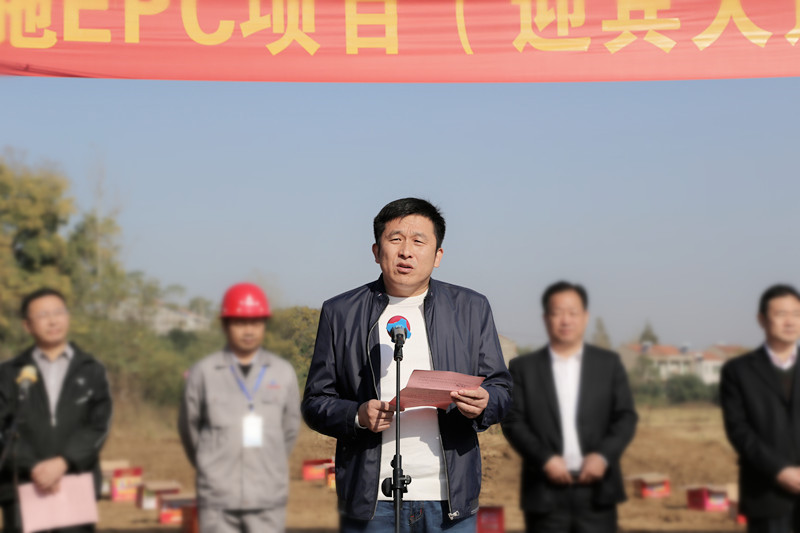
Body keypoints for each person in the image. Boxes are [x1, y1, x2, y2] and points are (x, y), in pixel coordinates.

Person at [301, 197, 512, 533]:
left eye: (418, 241)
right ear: (376, 251)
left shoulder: (471, 308)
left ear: (438, 255)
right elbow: (315, 402)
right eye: (395, 239)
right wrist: (356, 415)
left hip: (449, 499)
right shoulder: (340, 313)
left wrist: (485, 403)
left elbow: (501, 390)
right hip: (371, 501)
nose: (406, 252)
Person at [501, 281, 637, 533]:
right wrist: (546, 459)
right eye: (557, 312)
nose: (565, 320)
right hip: (545, 490)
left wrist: (602, 456)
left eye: (573, 312)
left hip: (598, 491)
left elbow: (625, 417)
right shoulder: (523, 368)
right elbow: (513, 421)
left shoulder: (608, 364)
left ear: (585, 317)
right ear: (546, 318)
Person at [178, 282, 301, 533]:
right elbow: (189, 430)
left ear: (264, 325)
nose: (248, 330)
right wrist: (211, 466)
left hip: (267, 498)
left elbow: (289, 429)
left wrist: (269, 462)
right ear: (225, 325)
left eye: (255, 322)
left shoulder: (282, 372)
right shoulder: (204, 373)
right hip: (218, 500)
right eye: (240, 322)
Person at [0, 288, 113, 533]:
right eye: (43, 315)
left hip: (74, 485)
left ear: (68, 317)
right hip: (23, 488)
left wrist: (63, 462)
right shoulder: (8, 373)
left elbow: (98, 426)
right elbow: (3, 431)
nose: (53, 321)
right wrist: (33, 467)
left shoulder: (92, 370)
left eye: (58, 312)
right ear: (27, 325)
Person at [721, 284, 800, 533]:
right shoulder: (739, 371)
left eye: (796, 314)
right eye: (781, 314)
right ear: (762, 320)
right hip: (767, 493)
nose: (790, 322)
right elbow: (739, 430)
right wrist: (779, 470)